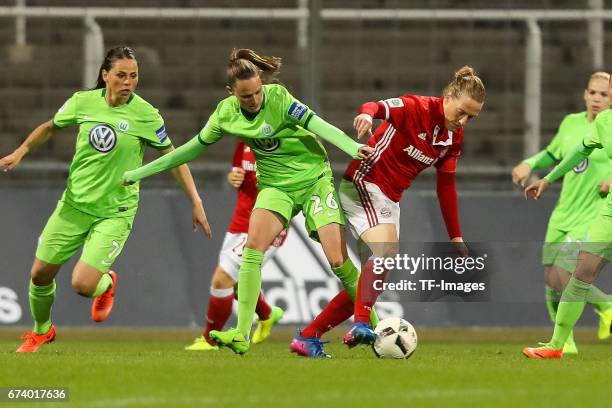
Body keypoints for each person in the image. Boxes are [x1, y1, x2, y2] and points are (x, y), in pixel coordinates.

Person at [123, 48, 375, 355]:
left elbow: (317, 124)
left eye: (257, 92)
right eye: (246, 96)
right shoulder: (225, 113)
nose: (254, 100)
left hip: (313, 181)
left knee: (338, 260)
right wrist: (141, 172)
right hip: (274, 187)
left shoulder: (278, 98)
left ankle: (371, 324)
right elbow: (188, 150)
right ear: (232, 92)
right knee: (251, 251)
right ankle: (241, 333)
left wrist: (350, 147)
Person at [0, 46, 211, 353]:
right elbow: (49, 127)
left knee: (83, 285)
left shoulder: (146, 115)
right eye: (121, 75)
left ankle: (106, 283)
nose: (128, 82)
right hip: (73, 205)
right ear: (105, 76)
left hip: (115, 211)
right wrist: (20, 152)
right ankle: (42, 331)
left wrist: (196, 200)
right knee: (40, 274)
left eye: (134, 76)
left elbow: (174, 158)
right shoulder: (82, 102)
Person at [290, 66, 485, 357]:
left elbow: (446, 187)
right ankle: (360, 324)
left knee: (371, 281)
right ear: (448, 96)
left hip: (389, 200)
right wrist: (367, 115)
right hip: (364, 182)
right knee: (385, 254)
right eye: (461, 111)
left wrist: (455, 236)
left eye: (472, 117)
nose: (464, 120)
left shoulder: (452, 138)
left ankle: (308, 336)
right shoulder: (415, 106)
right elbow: (376, 106)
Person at [512, 72, 612, 354]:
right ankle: (561, 344)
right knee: (561, 276)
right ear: (585, 93)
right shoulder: (593, 123)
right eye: (594, 92)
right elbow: (576, 152)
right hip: (571, 212)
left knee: (566, 272)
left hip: (592, 210)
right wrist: (546, 178)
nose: (597, 99)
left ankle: (604, 308)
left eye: (603, 94)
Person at [185, 141, 286, 351]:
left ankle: (209, 340)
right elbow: (237, 170)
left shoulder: (288, 137)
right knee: (240, 283)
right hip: (240, 221)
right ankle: (267, 315)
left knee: (223, 279)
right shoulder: (245, 136)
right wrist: (233, 177)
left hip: (268, 222)